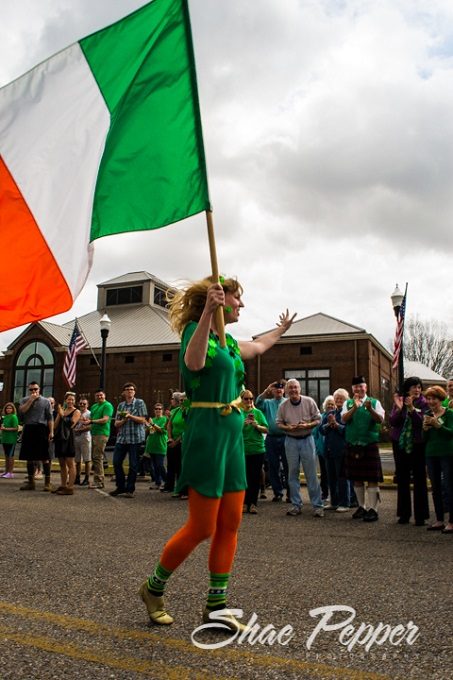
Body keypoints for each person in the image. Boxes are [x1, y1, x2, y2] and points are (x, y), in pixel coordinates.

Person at [139, 275, 295, 630]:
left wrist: (280, 331)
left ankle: (217, 607)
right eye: (237, 299)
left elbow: (257, 347)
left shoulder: (228, 345)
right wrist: (208, 310)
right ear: (221, 301)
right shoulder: (197, 332)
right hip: (207, 434)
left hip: (233, 437)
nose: (241, 305)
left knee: (231, 522)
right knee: (202, 526)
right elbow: (193, 364)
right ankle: (153, 587)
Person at [276, 378, 323, 517]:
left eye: (295, 387)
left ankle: (318, 506)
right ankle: (296, 505)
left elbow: (318, 419)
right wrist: (287, 427)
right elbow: (278, 423)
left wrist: (307, 425)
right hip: (290, 440)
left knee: (311, 475)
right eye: (290, 388)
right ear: (286, 390)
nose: (293, 390)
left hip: (307, 439)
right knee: (292, 474)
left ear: (300, 389)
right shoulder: (283, 406)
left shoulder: (309, 401)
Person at [341, 377, 385, 522]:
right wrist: (354, 407)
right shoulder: (347, 403)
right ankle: (362, 507)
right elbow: (344, 420)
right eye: (355, 387)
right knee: (357, 478)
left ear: (365, 387)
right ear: (352, 389)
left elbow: (380, 420)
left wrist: (369, 408)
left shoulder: (374, 402)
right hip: (353, 444)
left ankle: (373, 509)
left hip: (369, 444)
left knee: (372, 478)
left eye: (361, 387)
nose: (358, 390)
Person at [389, 377, 430, 526]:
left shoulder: (425, 403)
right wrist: (400, 409)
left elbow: (421, 423)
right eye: (414, 387)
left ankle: (421, 516)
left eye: (419, 387)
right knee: (402, 479)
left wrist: (412, 409)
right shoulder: (400, 402)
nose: (417, 390)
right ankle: (404, 514)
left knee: (419, 479)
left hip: (417, 444)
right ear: (407, 389)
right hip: (400, 444)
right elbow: (392, 422)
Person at [422, 385, 453, 533]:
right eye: (428, 398)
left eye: (433, 398)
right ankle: (439, 519)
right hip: (431, 453)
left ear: (440, 399)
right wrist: (426, 430)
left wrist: (438, 425)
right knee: (435, 488)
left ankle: (452, 521)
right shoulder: (427, 414)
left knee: (448, 486)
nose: (430, 401)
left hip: (447, 453)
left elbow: (450, 433)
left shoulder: (449, 414)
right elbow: (425, 439)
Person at [110, 382, 147, 498]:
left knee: (133, 465)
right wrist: (124, 420)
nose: (129, 391)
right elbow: (116, 423)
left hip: (135, 438)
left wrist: (129, 416)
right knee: (116, 462)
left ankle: (130, 489)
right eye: (127, 389)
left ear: (134, 391)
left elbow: (142, 420)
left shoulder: (140, 403)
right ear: (124, 392)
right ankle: (120, 487)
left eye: (131, 389)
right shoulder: (121, 405)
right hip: (122, 438)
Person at [255, 381, 288, 502]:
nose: (278, 390)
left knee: (288, 465)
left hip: (286, 437)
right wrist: (266, 391)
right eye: (276, 389)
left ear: (284, 390)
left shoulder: (287, 402)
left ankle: (290, 492)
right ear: (272, 391)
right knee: (273, 467)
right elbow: (257, 403)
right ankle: (278, 493)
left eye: (281, 389)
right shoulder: (268, 403)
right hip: (271, 438)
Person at [19, 382, 54, 491]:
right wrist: (31, 400)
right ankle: (31, 483)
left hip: (41, 429)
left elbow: (49, 418)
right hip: (29, 428)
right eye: (31, 389)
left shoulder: (45, 401)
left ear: (39, 389)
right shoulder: (24, 400)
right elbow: (23, 410)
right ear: (29, 390)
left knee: (44, 457)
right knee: (29, 457)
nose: (34, 391)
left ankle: (47, 483)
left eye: (36, 389)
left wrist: (51, 431)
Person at [320, 391, 349, 512]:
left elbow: (347, 431)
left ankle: (344, 503)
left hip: (341, 450)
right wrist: (329, 424)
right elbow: (321, 430)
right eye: (336, 398)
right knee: (331, 477)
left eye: (341, 398)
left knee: (342, 478)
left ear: (346, 400)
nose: (338, 400)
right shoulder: (329, 413)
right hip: (328, 450)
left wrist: (336, 425)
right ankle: (334, 502)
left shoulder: (346, 414)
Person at [240, 389, 268, 514]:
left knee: (254, 477)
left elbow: (266, 430)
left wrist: (256, 426)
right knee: (244, 477)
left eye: (251, 398)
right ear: (241, 400)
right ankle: (245, 503)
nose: (249, 401)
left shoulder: (258, 413)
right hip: (242, 450)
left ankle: (253, 503)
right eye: (246, 398)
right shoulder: (238, 413)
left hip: (257, 449)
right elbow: (232, 432)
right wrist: (243, 424)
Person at [53, 392, 81, 495]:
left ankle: (70, 487)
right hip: (60, 438)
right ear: (65, 400)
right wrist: (59, 414)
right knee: (62, 464)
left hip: (69, 439)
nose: (70, 401)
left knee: (70, 463)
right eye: (69, 399)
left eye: (72, 400)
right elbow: (55, 425)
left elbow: (71, 424)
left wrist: (61, 414)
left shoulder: (76, 411)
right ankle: (63, 485)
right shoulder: (62, 410)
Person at [89, 390, 114, 490]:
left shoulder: (107, 405)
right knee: (95, 457)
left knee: (97, 457)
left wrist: (91, 421)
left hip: (102, 434)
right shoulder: (94, 406)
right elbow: (90, 421)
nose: (99, 397)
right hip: (93, 433)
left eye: (101, 395)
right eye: (97, 395)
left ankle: (99, 481)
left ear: (104, 395)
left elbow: (105, 419)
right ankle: (97, 480)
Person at [162, 392, 186, 495]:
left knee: (181, 466)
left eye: (184, 400)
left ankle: (181, 489)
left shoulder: (189, 412)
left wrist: (176, 441)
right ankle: (169, 486)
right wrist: (170, 438)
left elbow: (188, 428)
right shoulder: (175, 411)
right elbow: (169, 425)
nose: (182, 402)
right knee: (171, 464)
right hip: (173, 440)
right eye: (180, 400)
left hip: (183, 441)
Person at [146, 403, 168, 490]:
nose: (158, 410)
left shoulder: (165, 419)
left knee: (160, 465)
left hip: (160, 445)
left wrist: (152, 424)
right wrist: (147, 426)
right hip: (152, 445)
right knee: (154, 466)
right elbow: (150, 431)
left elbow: (162, 431)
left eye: (159, 409)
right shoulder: (153, 419)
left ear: (162, 410)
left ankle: (167, 481)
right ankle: (157, 482)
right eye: (156, 409)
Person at [74, 398, 92, 485]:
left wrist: (80, 430)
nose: (82, 405)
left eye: (84, 404)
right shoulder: (76, 412)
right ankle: (77, 477)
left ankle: (87, 478)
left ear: (87, 405)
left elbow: (91, 426)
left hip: (85, 437)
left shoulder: (89, 413)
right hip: (76, 438)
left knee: (87, 459)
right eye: (80, 403)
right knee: (77, 460)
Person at [1, 403, 19, 478]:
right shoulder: (5, 417)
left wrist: (6, 429)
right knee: (6, 456)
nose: (8, 409)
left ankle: (10, 472)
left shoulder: (14, 417)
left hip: (11, 439)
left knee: (10, 456)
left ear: (13, 409)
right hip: (5, 439)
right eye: (7, 408)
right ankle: (6, 471)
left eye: (10, 408)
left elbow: (16, 428)